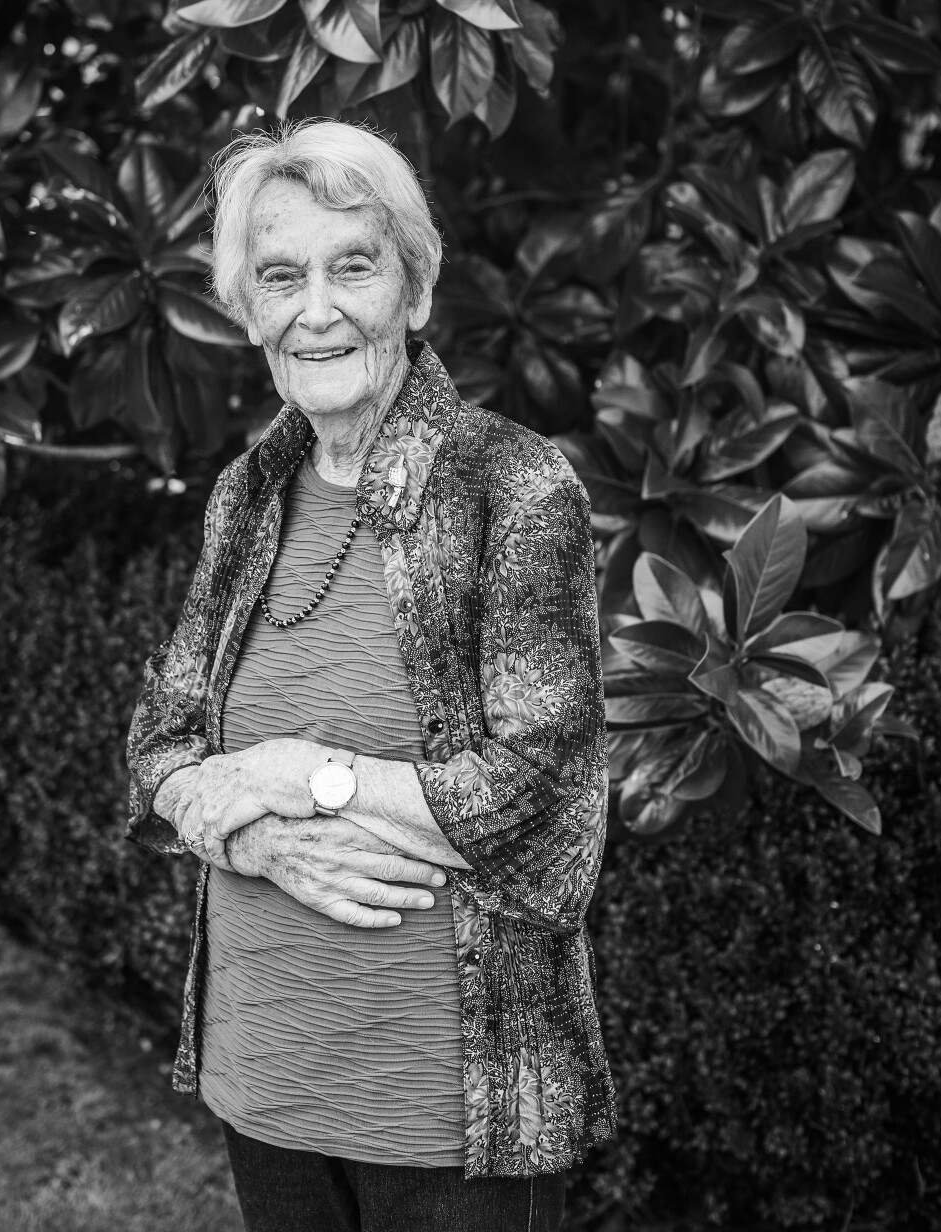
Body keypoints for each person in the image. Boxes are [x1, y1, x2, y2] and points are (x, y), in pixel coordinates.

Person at [126, 120, 616, 1232]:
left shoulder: (511, 486)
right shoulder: (247, 496)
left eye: (353, 267)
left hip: (446, 1108)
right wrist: (253, 838)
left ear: (415, 289)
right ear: (248, 311)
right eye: (280, 277)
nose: (317, 310)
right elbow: (160, 745)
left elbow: (546, 805)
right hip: (263, 1075)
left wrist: (303, 774)